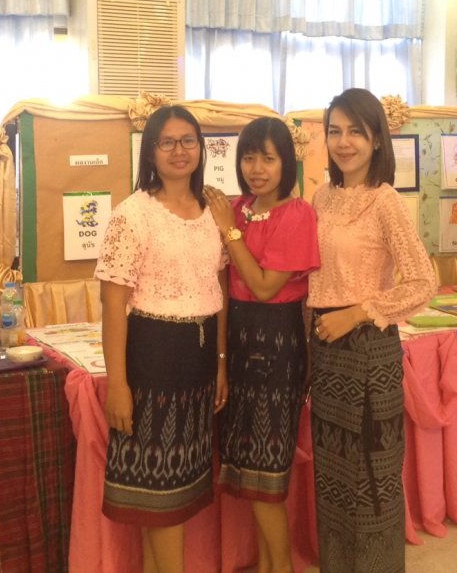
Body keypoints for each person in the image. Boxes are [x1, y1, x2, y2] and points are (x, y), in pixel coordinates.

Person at [95, 105, 228, 573]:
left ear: (200, 147)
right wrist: (117, 384)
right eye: (167, 142)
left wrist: (220, 362)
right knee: (159, 493)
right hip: (152, 360)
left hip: (198, 361)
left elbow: (218, 292)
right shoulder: (133, 213)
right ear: (150, 151)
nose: (179, 150)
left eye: (188, 140)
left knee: (177, 491)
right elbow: (113, 304)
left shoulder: (212, 211)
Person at [307, 88, 436, 572]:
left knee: (370, 479)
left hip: (366, 348)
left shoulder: (385, 201)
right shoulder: (321, 196)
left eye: (355, 132)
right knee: (334, 477)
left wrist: (358, 312)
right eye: (335, 131)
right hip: (324, 350)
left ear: (377, 139)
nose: (343, 142)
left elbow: (423, 282)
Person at [204, 116, 320, 573]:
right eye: (249, 158)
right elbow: (223, 284)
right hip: (237, 337)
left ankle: (282, 566)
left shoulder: (297, 213)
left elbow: (266, 286)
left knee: (267, 473)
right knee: (249, 472)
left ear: (285, 162)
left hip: (276, 342)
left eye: (268, 159)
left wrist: (229, 230)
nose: (256, 169)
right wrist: (220, 358)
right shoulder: (238, 207)